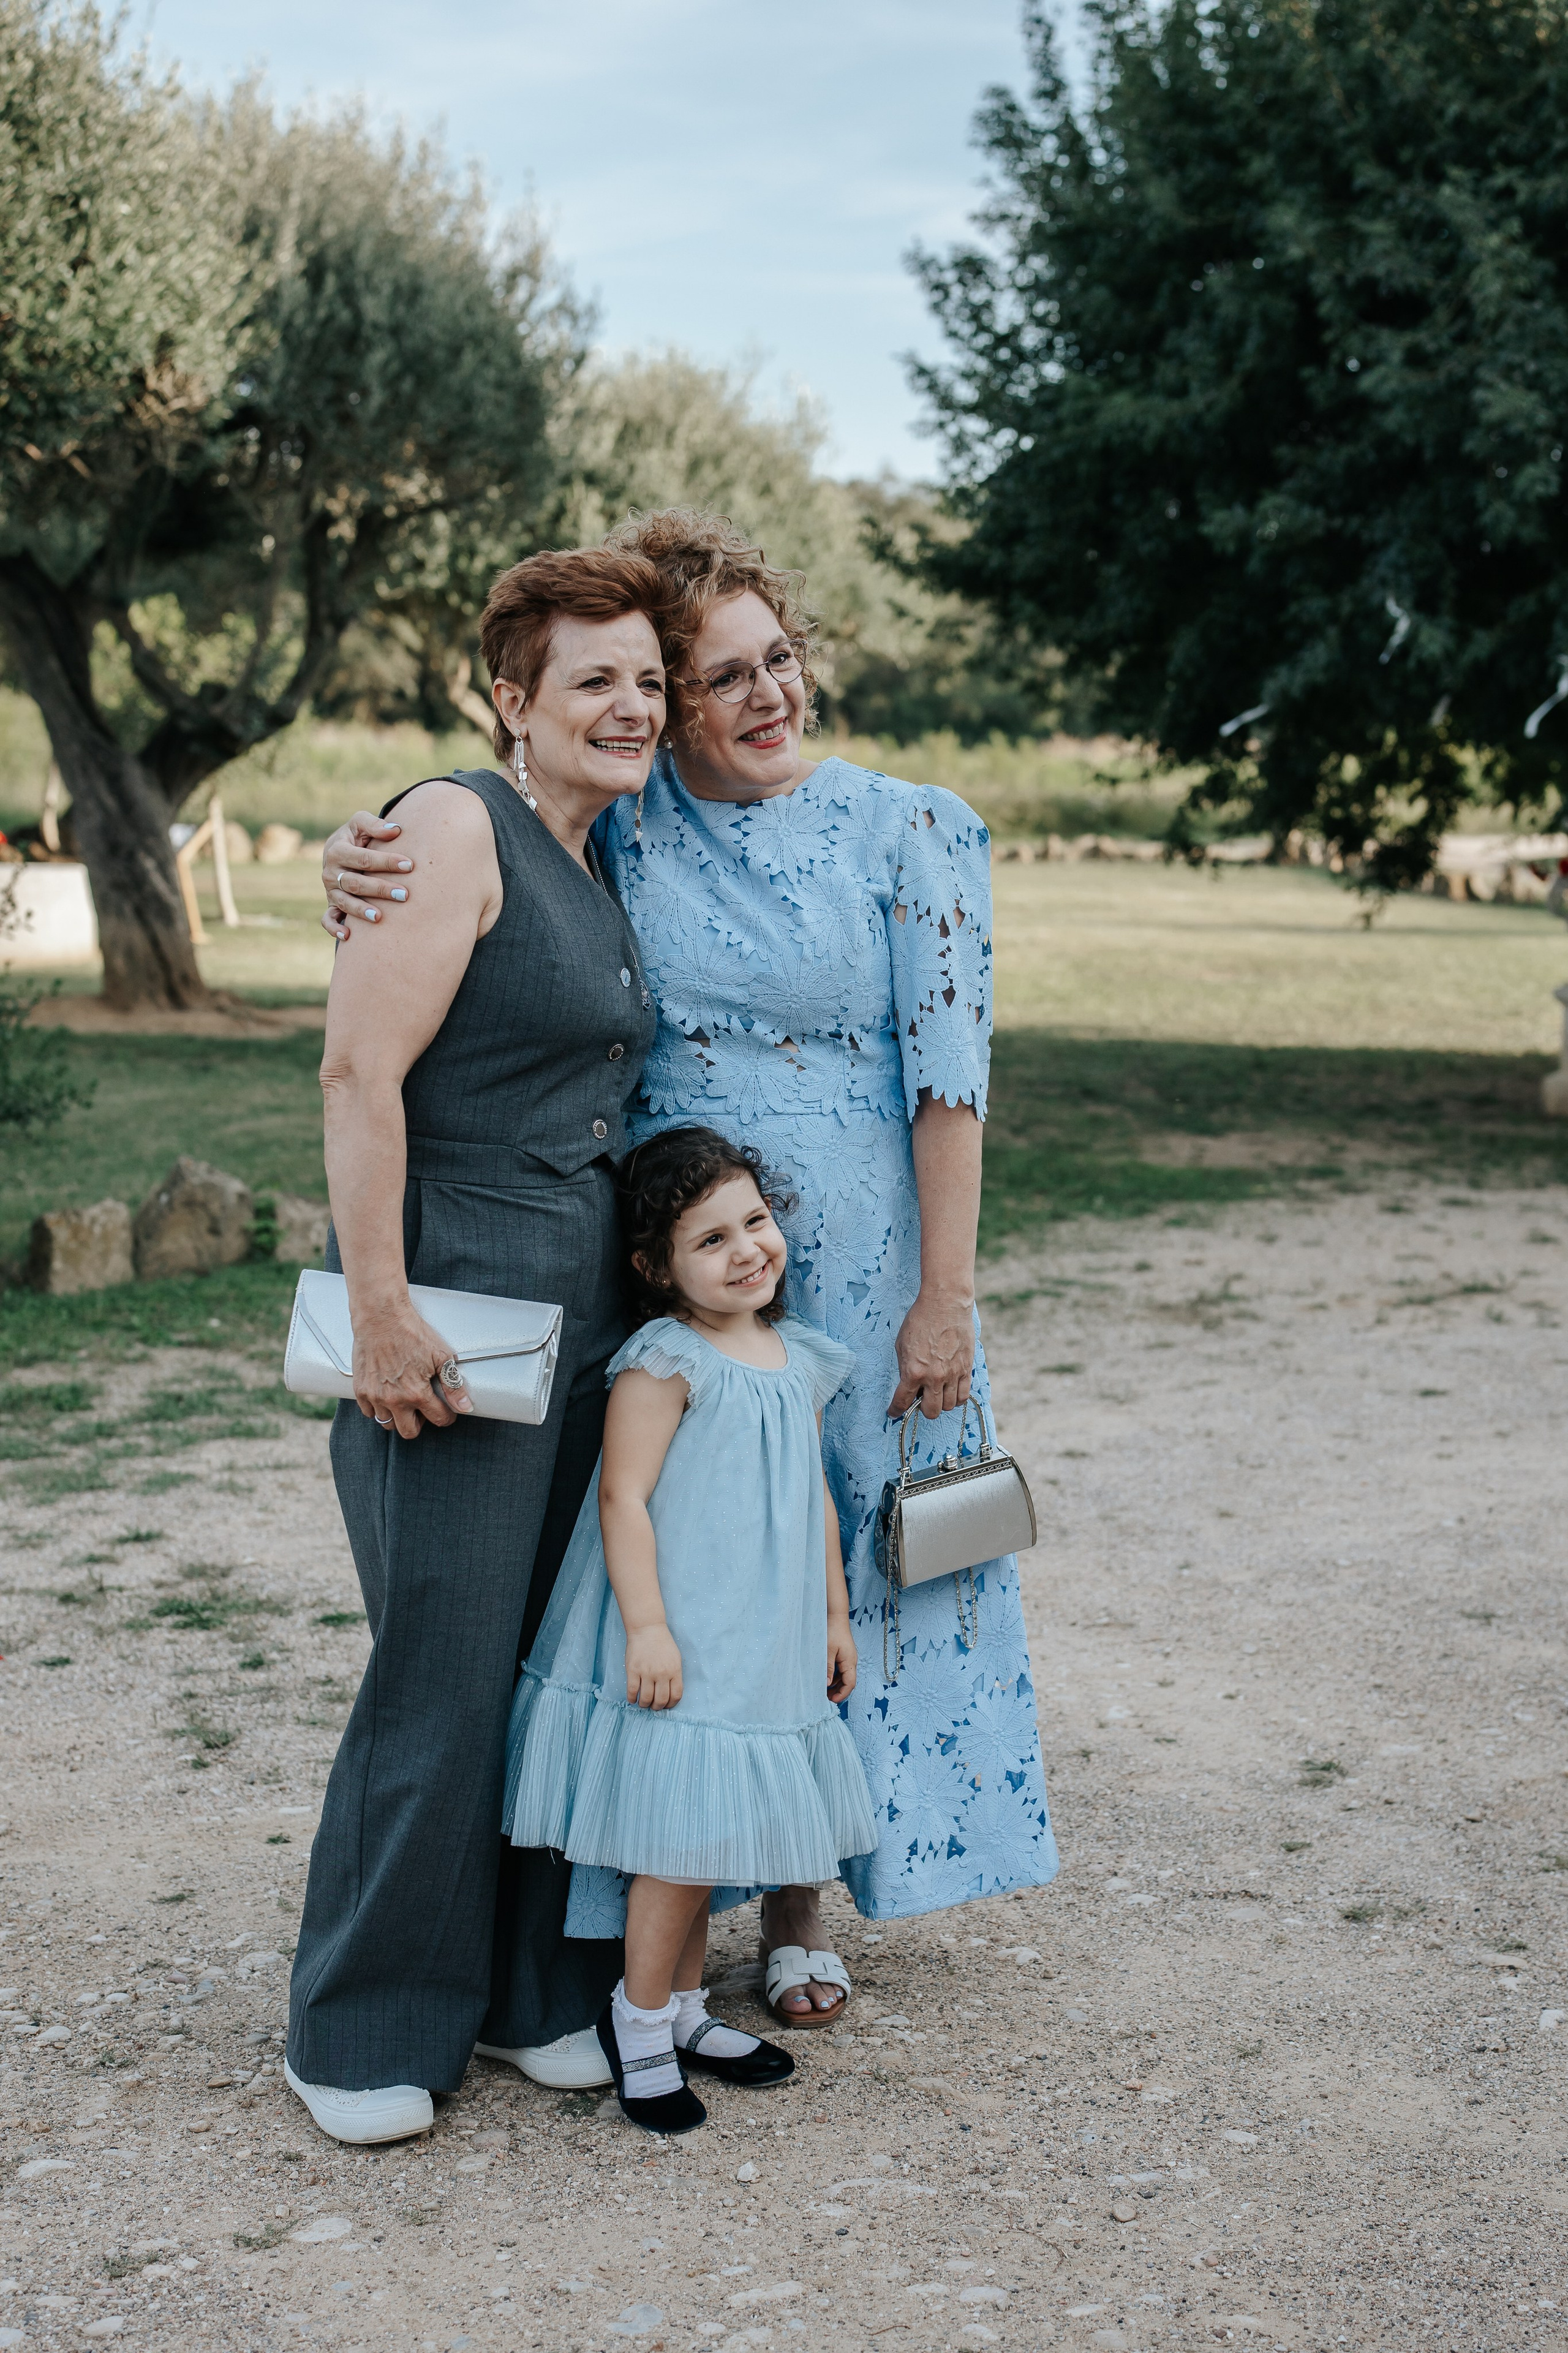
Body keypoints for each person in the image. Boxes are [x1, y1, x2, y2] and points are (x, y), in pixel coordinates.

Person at [319, 507, 1059, 2035]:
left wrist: (947, 1291)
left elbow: (951, 1082)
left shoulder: (909, 827)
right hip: (669, 1262)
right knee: (697, 1561)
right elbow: (499, 845)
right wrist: (361, 849)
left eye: (773, 659)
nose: (758, 695)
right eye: (714, 675)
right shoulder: (632, 810)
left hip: (860, 1263)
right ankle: (641, 1893)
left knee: (845, 1561)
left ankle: (796, 1908)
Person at [284, 547, 666, 2146]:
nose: (633, 704)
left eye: (649, 678)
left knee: (540, 1669)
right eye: (596, 678)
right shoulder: (452, 824)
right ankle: (359, 2024)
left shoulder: (610, 850)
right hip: (452, 1312)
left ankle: (520, 1994)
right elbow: (358, 1072)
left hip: (580, 1320)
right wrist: (380, 1306)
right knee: (441, 1674)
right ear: (512, 698)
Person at [505, 1127, 876, 2131]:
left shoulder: (795, 1355)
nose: (748, 1248)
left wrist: (835, 1617)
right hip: (688, 1630)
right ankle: (635, 2022)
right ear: (655, 1267)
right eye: (710, 1240)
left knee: (706, 1829)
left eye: (755, 1220)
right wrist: (650, 1627)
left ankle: (682, 2009)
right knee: (675, 1840)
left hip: (766, 1635)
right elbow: (621, 1498)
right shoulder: (665, 1360)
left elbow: (819, 1502)